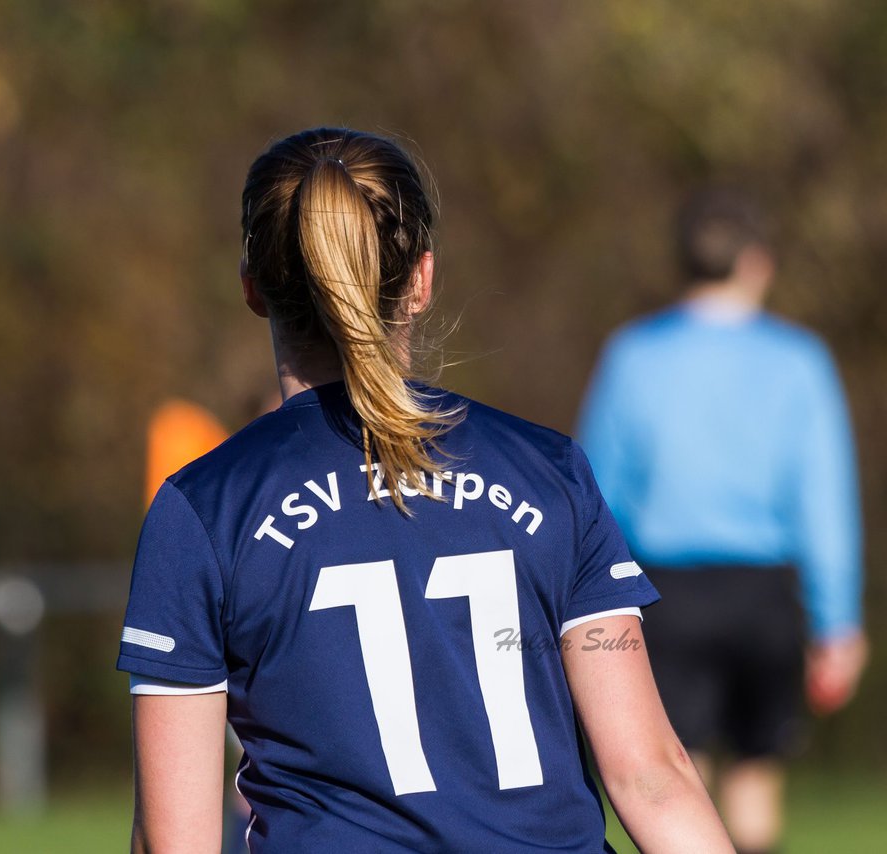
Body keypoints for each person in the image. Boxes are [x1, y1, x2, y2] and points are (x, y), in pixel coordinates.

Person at [119, 127, 732, 853]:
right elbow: (653, 779)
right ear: (422, 279)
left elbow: (176, 842)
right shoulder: (551, 472)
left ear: (253, 286)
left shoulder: (204, 509)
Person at [578, 188, 868, 854]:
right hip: (764, 594)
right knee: (755, 784)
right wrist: (838, 624)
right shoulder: (799, 360)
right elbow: (825, 503)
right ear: (757, 263)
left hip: (663, 594)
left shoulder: (633, 355)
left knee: (677, 779)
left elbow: (594, 494)